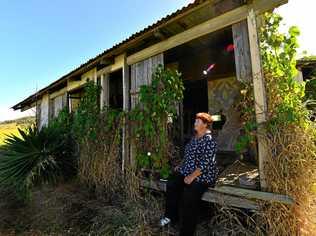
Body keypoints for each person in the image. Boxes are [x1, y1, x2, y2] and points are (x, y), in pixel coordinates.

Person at [159, 112, 218, 236]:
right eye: (195, 121)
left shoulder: (209, 140)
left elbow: (206, 163)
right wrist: (181, 165)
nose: (195, 123)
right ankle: (170, 217)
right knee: (172, 183)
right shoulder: (194, 138)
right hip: (188, 170)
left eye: (198, 121)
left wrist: (192, 176)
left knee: (189, 196)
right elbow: (188, 155)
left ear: (205, 125)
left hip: (203, 174)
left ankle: (186, 232)